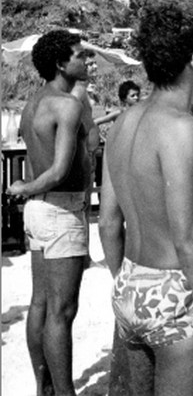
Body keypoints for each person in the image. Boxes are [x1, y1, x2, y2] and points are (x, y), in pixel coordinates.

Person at [98, 5, 193, 395]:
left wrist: (128, 284)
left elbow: (108, 223)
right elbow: (190, 238)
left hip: (130, 282)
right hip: (174, 289)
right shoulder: (181, 129)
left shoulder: (123, 122)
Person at [9, 30, 93, 396]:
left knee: (40, 303)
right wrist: (25, 187)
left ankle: (44, 387)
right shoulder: (67, 104)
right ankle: (64, 392)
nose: (86, 61)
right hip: (60, 206)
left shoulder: (34, 103)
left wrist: (28, 191)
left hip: (39, 212)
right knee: (62, 311)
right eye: (80, 55)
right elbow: (59, 170)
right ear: (61, 63)